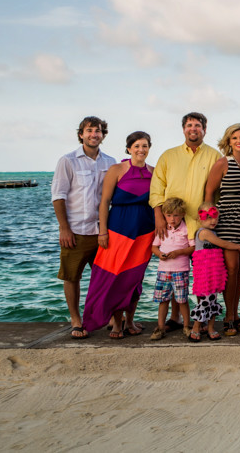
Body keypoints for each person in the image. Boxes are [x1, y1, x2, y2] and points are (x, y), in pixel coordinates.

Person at [149, 112, 222, 332]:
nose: (193, 129)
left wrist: (214, 220)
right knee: (174, 273)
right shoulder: (168, 156)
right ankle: (175, 318)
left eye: (198, 125)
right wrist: (159, 217)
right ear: (183, 129)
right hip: (172, 225)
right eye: (189, 125)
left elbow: (218, 191)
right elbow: (156, 189)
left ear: (205, 129)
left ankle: (201, 321)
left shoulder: (214, 156)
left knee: (203, 278)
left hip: (201, 229)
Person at [83, 131, 154, 338]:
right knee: (113, 277)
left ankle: (129, 321)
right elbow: (104, 202)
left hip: (144, 232)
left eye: (145, 146)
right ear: (129, 148)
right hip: (118, 230)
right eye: (137, 146)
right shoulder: (116, 169)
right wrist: (102, 231)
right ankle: (115, 323)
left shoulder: (155, 172)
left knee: (134, 278)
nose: (141, 150)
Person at [51, 116, 115, 339]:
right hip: (76, 231)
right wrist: (64, 228)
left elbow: (113, 197)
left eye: (98, 131)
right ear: (81, 134)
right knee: (72, 277)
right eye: (89, 130)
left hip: (102, 231)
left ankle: (111, 317)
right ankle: (76, 320)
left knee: (107, 277)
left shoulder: (111, 162)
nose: (93, 134)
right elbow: (58, 196)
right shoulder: (67, 161)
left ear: (103, 135)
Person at [205, 123, 240, 336]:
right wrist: (208, 222)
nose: (239, 141)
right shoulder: (223, 163)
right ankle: (229, 317)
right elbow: (209, 194)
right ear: (229, 141)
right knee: (232, 270)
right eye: (234, 138)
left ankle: (235, 315)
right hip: (227, 222)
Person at [188, 203, 240, 341]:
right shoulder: (203, 232)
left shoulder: (213, 232)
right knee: (206, 301)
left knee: (213, 300)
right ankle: (196, 327)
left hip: (215, 272)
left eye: (215, 217)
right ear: (199, 218)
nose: (213, 221)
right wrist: (238, 247)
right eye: (208, 217)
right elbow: (223, 244)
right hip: (205, 273)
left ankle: (210, 328)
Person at [149, 197, 193, 341]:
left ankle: (186, 326)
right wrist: (160, 254)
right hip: (163, 270)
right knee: (163, 300)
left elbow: (192, 248)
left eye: (176, 215)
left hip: (181, 270)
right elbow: (154, 247)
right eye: (168, 215)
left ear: (182, 215)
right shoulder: (163, 229)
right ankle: (160, 327)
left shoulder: (186, 229)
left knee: (182, 300)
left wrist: (179, 252)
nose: (172, 219)